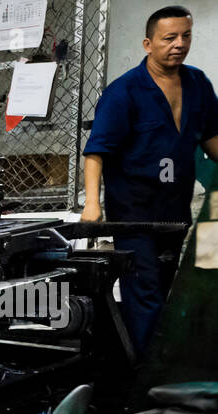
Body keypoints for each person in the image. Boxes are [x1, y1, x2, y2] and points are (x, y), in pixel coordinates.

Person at [82, 5, 218, 354]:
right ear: (148, 43)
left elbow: (211, 137)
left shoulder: (198, 83)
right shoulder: (124, 92)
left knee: (172, 289)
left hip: (175, 211)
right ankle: (147, 378)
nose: (179, 44)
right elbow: (97, 152)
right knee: (144, 293)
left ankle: (166, 365)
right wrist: (93, 205)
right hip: (134, 214)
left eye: (185, 36)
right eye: (169, 37)